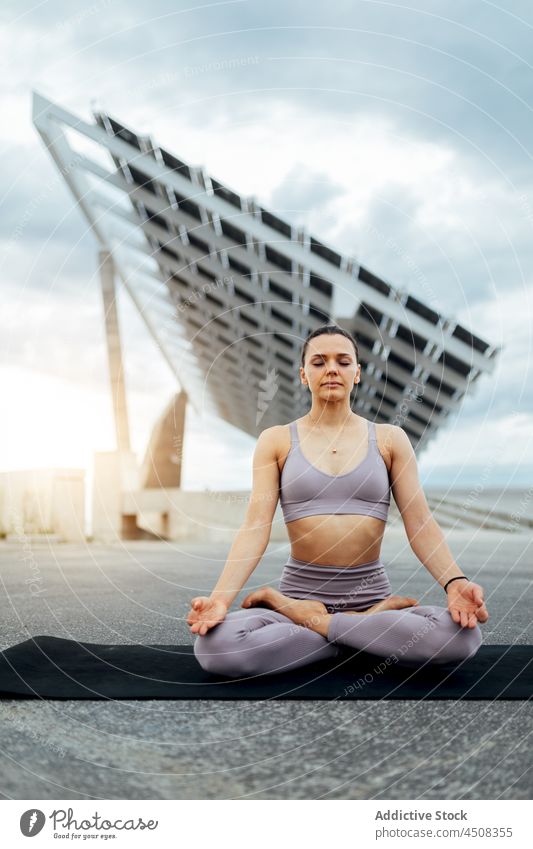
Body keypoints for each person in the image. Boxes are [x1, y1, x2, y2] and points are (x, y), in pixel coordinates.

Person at [187, 324, 489, 678]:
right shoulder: (276, 441)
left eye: (343, 361)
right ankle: (361, 633)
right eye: (319, 362)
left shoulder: (390, 439)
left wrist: (455, 583)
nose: (331, 368)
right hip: (297, 599)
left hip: (368, 599)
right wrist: (220, 600)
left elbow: (419, 521)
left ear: (357, 373)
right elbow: (255, 526)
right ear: (303, 375)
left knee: (462, 638)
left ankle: (323, 626)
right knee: (216, 648)